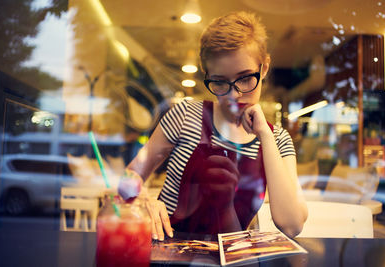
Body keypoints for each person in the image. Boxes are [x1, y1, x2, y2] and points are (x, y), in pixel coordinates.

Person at [118, 11, 308, 241]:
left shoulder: (277, 140)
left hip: (232, 258)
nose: (234, 94)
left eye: (246, 78)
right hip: (170, 252)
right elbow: (131, 175)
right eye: (220, 82)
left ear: (264, 68)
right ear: (208, 76)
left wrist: (265, 136)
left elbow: (292, 224)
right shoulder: (184, 116)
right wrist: (143, 199)